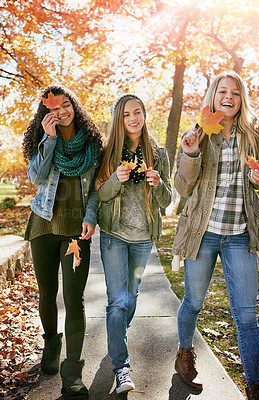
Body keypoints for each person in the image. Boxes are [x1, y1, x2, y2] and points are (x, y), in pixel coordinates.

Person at [172, 71, 259, 399]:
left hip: (241, 234)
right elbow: (182, 187)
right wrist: (191, 154)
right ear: (212, 96)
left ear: (242, 99)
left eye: (235, 93)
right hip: (203, 233)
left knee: (246, 314)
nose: (228, 97)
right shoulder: (197, 134)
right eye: (222, 91)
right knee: (194, 301)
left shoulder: (255, 134)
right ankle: (184, 354)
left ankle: (255, 386)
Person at [22, 84, 102, 400]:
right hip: (43, 225)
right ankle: (51, 343)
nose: (61, 112)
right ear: (45, 113)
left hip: (75, 232)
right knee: (47, 292)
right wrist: (50, 139)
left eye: (65, 104)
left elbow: (95, 188)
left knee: (73, 299)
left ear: (74, 106)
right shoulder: (44, 140)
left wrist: (91, 217)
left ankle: (72, 374)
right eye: (52, 108)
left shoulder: (94, 145)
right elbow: (36, 177)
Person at [95, 94, 172, 394]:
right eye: (126, 114)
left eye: (137, 112)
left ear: (144, 114)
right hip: (114, 235)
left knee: (132, 296)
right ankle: (121, 368)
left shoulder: (158, 153)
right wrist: (115, 178)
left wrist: (159, 184)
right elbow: (101, 195)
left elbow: (167, 202)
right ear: (120, 119)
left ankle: (118, 337)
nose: (132, 118)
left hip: (143, 239)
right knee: (117, 302)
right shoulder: (109, 152)